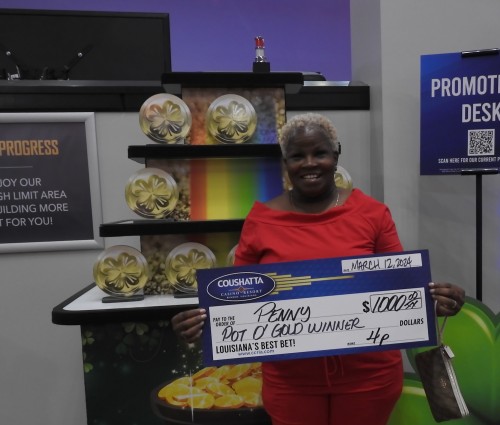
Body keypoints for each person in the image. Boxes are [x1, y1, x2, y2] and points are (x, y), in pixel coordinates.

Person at [171, 113, 465, 425]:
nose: (309, 163)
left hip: (369, 377)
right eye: (298, 156)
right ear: (285, 162)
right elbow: (237, 301)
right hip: (291, 382)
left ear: (336, 155)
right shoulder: (261, 221)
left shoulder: (372, 214)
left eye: (320, 153)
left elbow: (398, 287)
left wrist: (434, 302)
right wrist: (202, 322)